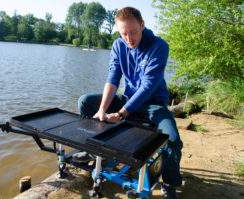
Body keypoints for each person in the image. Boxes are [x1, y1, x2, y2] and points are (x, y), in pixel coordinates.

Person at [73, 7, 183, 199]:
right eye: (124, 33)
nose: (129, 39)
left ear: (142, 25)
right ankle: (91, 148)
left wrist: (122, 114)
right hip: (127, 98)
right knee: (85, 102)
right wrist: (102, 110)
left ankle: (169, 182)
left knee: (172, 138)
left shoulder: (159, 46)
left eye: (133, 32)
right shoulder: (118, 45)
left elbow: (148, 86)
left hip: (153, 105)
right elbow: (113, 79)